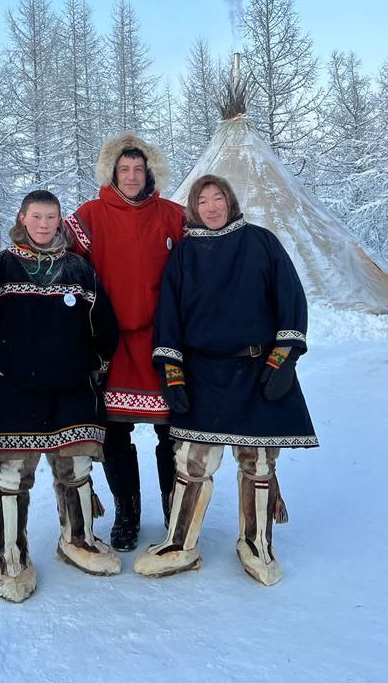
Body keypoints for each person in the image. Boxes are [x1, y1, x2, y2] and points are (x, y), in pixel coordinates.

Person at [134, 174, 318, 586]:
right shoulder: (184, 254)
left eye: (219, 198)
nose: (212, 206)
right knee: (192, 460)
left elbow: (291, 299)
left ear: (231, 202)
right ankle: (180, 544)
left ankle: (256, 543)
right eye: (203, 201)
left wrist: (282, 362)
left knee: (259, 461)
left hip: (259, 369)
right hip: (204, 373)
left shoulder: (261, 242)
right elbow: (170, 316)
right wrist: (173, 374)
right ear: (194, 209)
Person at [0, 189, 121, 603]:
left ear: (60, 221)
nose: (44, 225)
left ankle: (77, 540)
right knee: (11, 477)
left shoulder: (79, 269)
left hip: (71, 388)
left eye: (52, 218)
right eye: (37, 217)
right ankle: (11, 557)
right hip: (15, 389)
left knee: (76, 468)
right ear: (22, 218)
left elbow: (104, 325)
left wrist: (96, 365)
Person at [66, 134, 185, 551]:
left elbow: (205, 264)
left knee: (171, 432)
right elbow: (58, 256)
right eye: (124, 169)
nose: (131, 176)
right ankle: (127, 514)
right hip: (111, 340)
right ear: (112, 172)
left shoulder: (174, 216)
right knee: (116, 434)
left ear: (149, 171)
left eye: (138, 169)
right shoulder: (91, 215)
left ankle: (175, 510)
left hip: (162, 342)